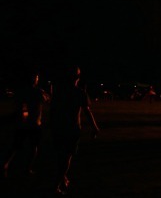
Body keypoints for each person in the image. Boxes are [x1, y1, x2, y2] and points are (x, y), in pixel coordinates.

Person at [49, 65, 100, 195]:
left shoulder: (58, 92)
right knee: (67, 157)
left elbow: (52, 111)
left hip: (58, 128)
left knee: (60, 156)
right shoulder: (79, 93)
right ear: (77, 77)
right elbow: (87, 112)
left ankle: (62, 178)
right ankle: (56, 185)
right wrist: (95, 127)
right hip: (72, 129)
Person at [2, 71, 50, 178]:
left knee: (15, 145)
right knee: (34, 147)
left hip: (22, 123)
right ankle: (27, 168)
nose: (38, 79)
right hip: (34, 123)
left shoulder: (21, 91)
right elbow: (48, 100)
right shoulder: (38, 92)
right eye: (37, 77)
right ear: (34, 79)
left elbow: (17, 105)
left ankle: (6, 164)